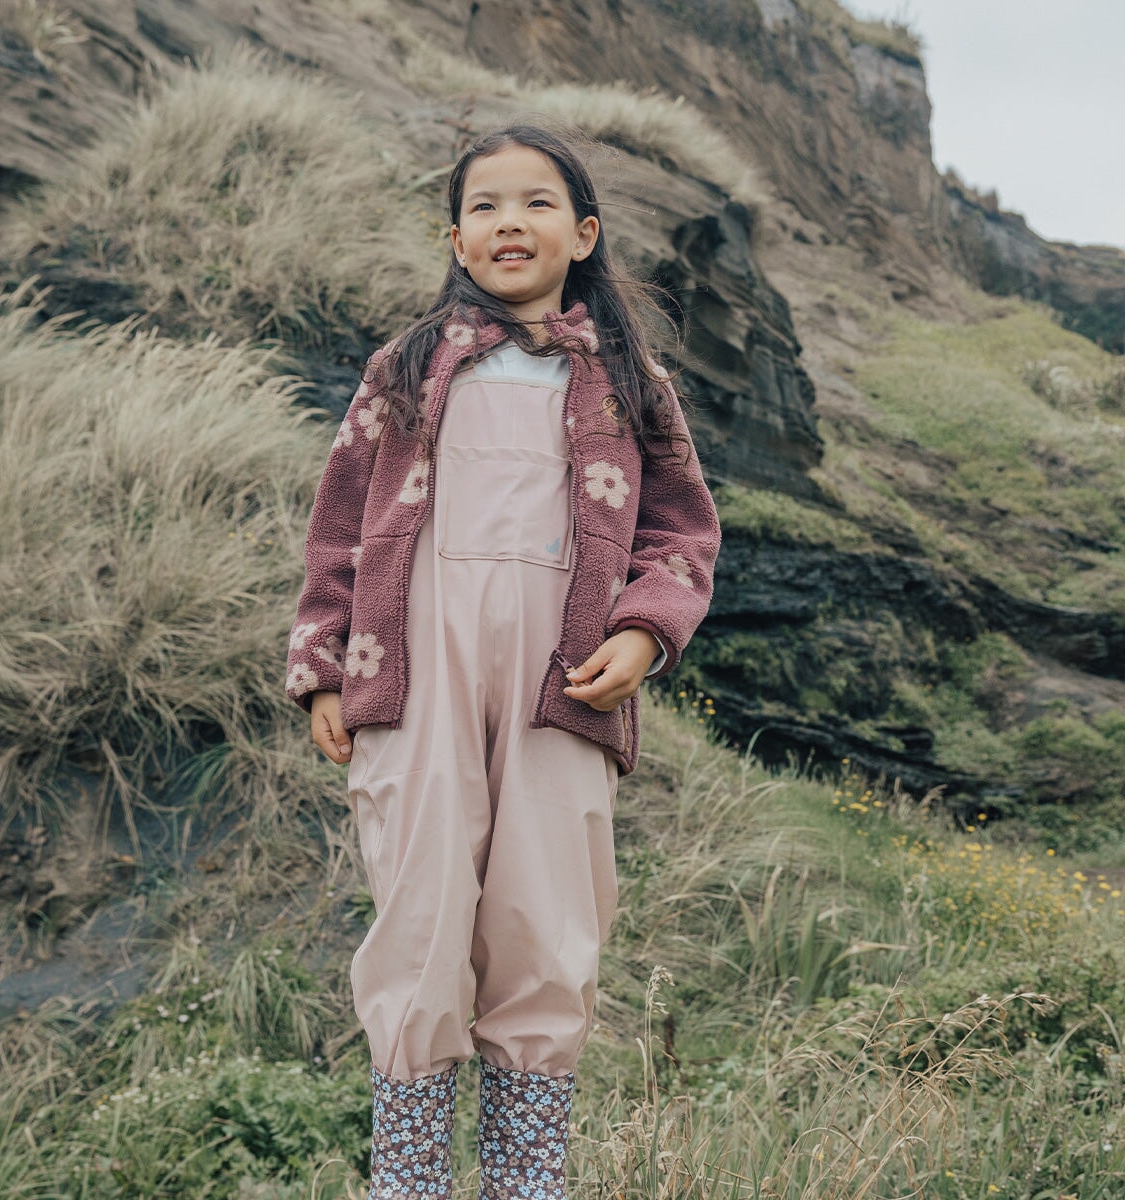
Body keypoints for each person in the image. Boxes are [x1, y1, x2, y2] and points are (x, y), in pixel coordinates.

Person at [285, 124, 721, 1200]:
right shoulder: (406, 369)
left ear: (583, 233)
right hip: (418, 676)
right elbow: (339, 525)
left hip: (559, 690)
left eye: (536, 204)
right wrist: (326, 664)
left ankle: (526, 1183)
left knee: (546, 921)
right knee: (421, 919)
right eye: (485, 206)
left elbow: (680, 530)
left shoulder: (628, 380)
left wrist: (641, 629)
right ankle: (411, 1182)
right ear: (456, 236)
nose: (509, 222)